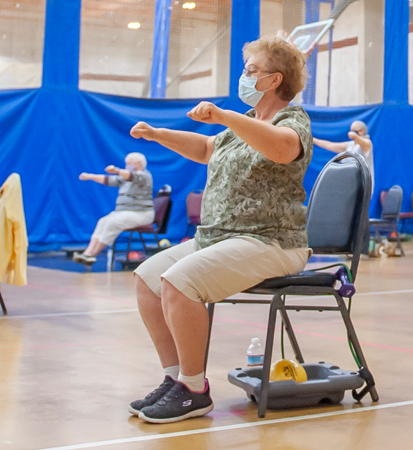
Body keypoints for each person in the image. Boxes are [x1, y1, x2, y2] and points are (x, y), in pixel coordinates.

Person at [125, 36, 314, 424]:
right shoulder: (239, 129)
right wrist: (158, 134)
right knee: (147, 279)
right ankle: (176, 379)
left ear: (274, 80)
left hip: (271, 240)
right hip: (218, 237)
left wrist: (226, 116)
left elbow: (281, 149)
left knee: (179, 281)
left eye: (251, 70)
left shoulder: (292, 121)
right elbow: (205, 149)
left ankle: (195, 390)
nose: (244, 76)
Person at [73, 153, 155, 268]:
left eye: (129, 163)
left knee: (113, 223)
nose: (127, 165)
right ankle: (88, 253)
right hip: (123, 212)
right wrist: (90, 176)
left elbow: (130, 176)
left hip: (141, 214)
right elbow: (108, 179)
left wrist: (116, 170)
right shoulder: (124, 179)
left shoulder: (145, 176)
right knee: (103, 221)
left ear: (138, 164)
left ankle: (93, 254)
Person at [313, 120, 374, 195]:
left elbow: (364, 143)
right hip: (349, 181)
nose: (351, 132)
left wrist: (355, 136)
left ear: (361, 131)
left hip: (362, 182)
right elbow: (330, 145)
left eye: (354, 131)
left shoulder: (367, 143)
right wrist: (313, 140)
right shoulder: (350, 145)